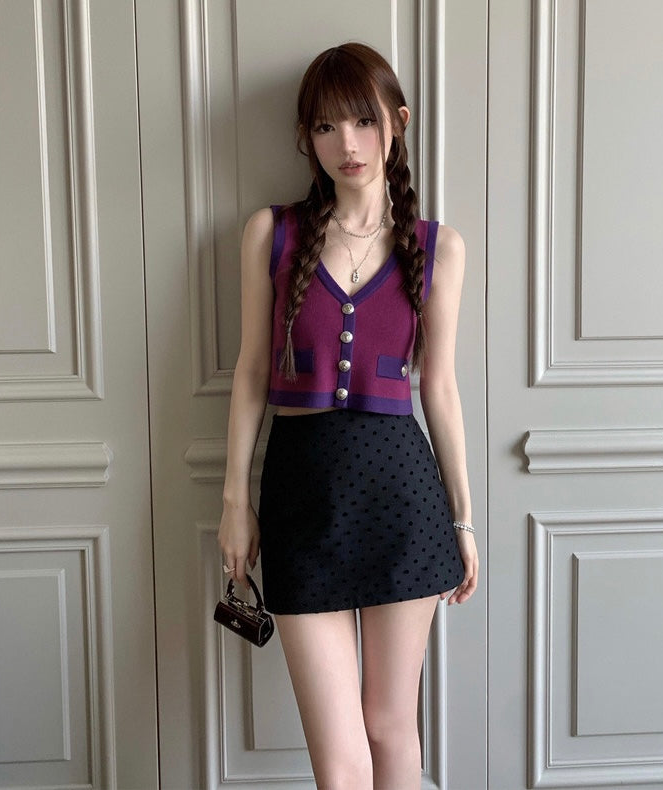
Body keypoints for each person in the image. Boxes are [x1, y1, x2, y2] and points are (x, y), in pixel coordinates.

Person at [217, 42, 478, 789]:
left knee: (390, 727)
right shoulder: (271, 233)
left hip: (404, 505)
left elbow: (441, 389)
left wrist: (462, 520)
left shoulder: (438, 248)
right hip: (301, 503)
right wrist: (235, 502)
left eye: (363, 121)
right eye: (326, 127)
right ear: (308, 138)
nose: (347, 144)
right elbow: (250, 372)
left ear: (398, 122)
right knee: (339, 760)